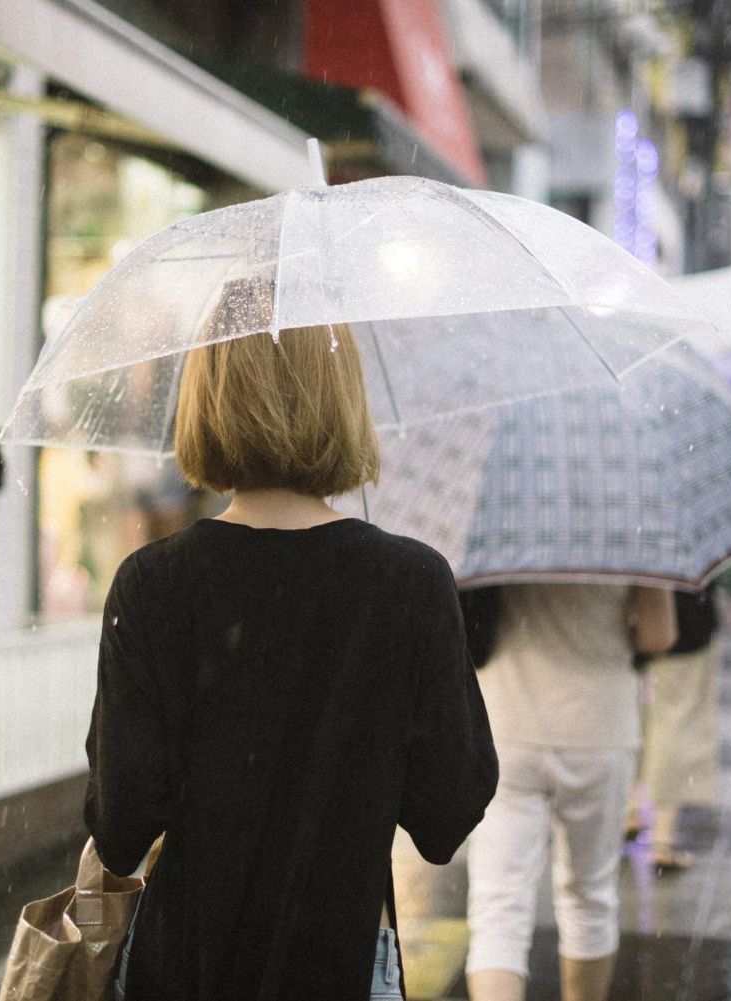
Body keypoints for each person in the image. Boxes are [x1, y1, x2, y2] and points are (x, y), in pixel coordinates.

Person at [84, 322, 499, 1001]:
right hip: (340, 965)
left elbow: (122, 824)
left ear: (206, 400)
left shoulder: (151, 584)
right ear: (342, 398)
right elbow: (447, 810)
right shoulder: (411, 582)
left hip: (186, 965)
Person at [463, 583, 676, 1001]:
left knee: (498, 907)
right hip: (599, 727)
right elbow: (658, 635)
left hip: (505, 724)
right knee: (590, 896)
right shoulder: (641, 526)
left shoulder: (499, 520)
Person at [628, 586, 722, 872]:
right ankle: (662, 840)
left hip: (630, 620)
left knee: (636, 716)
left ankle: (629, 811)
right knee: (676, 722)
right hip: (686, 622)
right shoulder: (682, 545)